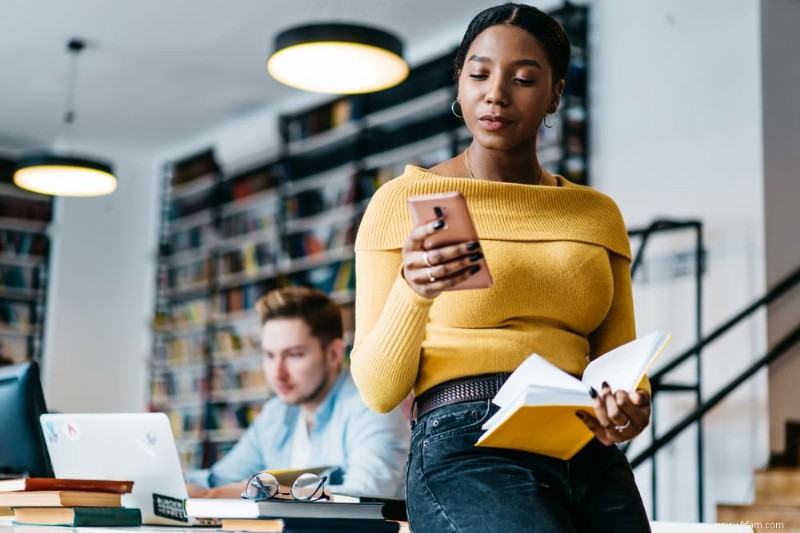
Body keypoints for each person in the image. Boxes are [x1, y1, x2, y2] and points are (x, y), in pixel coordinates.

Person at [350, 3, 652, 532]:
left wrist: (629, 410)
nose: (496, 93)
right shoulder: (402, 201)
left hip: (582, 442)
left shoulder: (596, 213)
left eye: (523, 78)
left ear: (555, 94)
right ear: (460, 84)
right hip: (465, 441)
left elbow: (621, 366)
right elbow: (378, 391)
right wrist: (413, 289)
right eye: (480, 73)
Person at [186, 286, 409, 499]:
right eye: (270, 356)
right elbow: (217, 480)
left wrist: (263, 492)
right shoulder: (276, 413)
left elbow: (363, 497)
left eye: (293, 355)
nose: (277, 373)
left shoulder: (372, 407)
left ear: (333, 354)